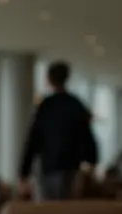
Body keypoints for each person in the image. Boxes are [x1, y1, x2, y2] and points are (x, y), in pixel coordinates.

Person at [18, 61, 99, 201]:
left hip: (48, 167)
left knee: (47, 211)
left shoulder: (46, 106)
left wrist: (24, 172)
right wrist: (91, 161)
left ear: (49, 79)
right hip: (71, 167)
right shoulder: (75, 104)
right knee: (66, 210)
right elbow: (86, 136)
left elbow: (33, 139)